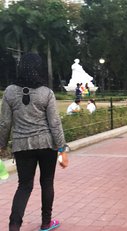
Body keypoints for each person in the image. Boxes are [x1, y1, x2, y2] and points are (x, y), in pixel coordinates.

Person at [0, 53, 68, 231]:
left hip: (22, 146)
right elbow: (54, 123)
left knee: (24, 186)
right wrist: (62, 148)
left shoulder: (9, 92)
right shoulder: (46, 93)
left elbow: (5, 123)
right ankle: (46, 223)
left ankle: (14, 226)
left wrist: (1, 145)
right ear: (40, 69)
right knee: (47, 182)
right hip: (47, 145)